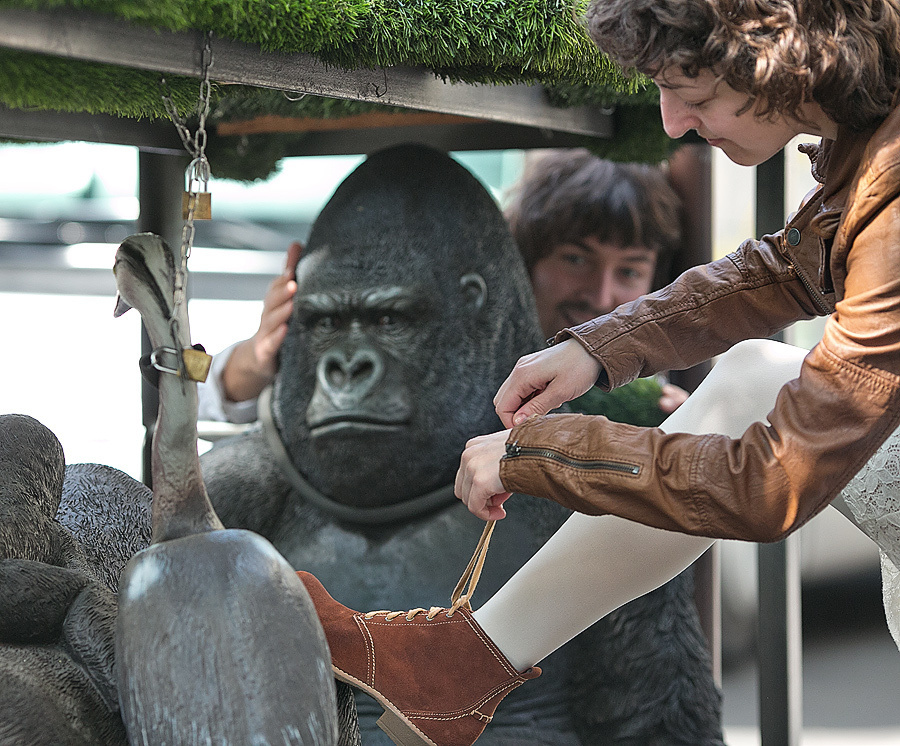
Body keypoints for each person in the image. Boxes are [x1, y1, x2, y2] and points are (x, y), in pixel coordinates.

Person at [294, 2, 900, 745]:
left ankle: (459, 668)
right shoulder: (871, 127)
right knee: (750, 377)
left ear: (779, 59)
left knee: (752, 388)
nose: (672, 123)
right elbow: (789, 268)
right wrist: (598, 347)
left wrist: (541, 452)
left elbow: (769, 483)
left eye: (692, 93)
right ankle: (460, 668)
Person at [200, 153, 691, 424]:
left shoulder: (648, 395)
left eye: (629, 272)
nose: (601, 296)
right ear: (518, 262)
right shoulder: (444, 346)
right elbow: (204, 404)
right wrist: (255, 361)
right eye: (575, 260)